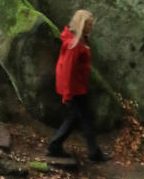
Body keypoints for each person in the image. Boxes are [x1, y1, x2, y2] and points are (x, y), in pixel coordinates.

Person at [46, 9, 109, 162]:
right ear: (81, 24)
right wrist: (67, 94)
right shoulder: (74, 45)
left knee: (76, 117)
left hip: (77, 86)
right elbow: (67, 69)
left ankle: (55, 146)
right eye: (88, 24)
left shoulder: (79, 40)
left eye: (91, 24)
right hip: (74, 88)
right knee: (86, 118)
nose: (91, 27)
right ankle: (93, 153)